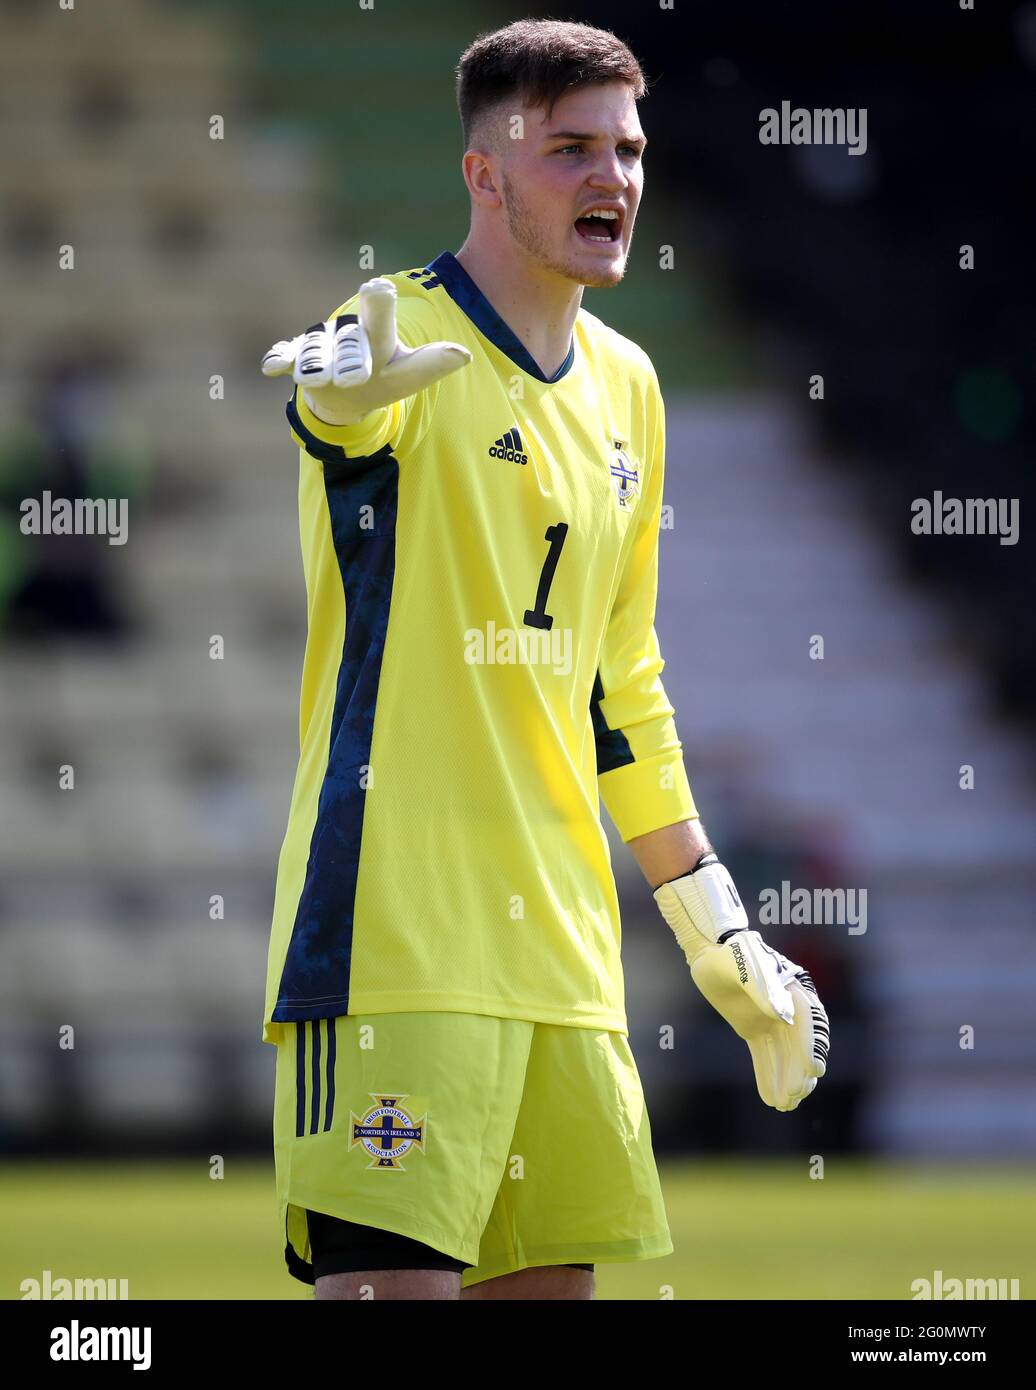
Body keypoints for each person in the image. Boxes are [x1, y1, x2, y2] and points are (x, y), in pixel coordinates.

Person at [259, 17, 829, 1302]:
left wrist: (716, 928)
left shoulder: (631, 385)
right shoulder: (389, 329)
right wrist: (335, 401)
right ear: (483, 172)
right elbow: (332, 407)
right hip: (396, 948)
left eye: (627, 149)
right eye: (569, 148)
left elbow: (622, 684)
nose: (612, 179)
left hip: (567, 965)